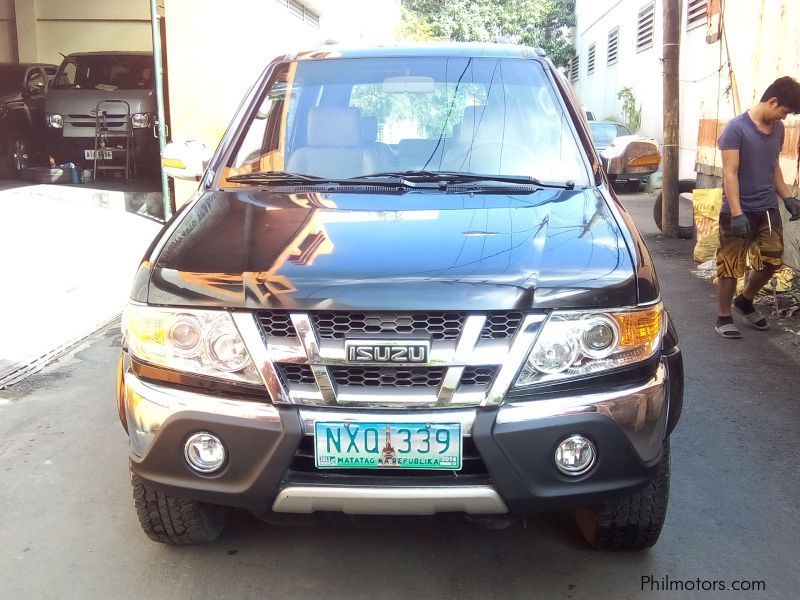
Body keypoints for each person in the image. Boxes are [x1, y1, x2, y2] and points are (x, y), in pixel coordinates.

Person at [715, 76, 800, 339]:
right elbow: (730, 172)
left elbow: (773, 165)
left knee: (773, 259)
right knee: (730, 265)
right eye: (784, 112)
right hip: (738, 211)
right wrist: (737, 213)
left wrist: (786, 197)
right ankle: (724, 316)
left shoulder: (778, 130)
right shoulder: (736, 129)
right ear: (773, 101)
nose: (784, 118)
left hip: (767, 208)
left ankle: (745, 300)